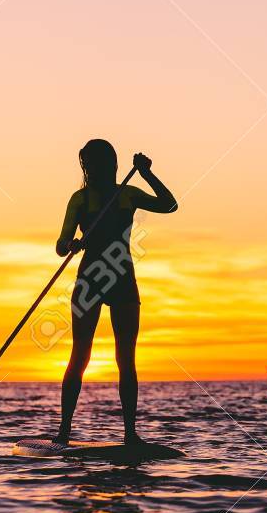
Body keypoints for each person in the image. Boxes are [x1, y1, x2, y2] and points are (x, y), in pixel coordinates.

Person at [54, 139, 177, 445]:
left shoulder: (128, 194)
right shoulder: (80, 199)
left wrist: (147, 173)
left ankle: (130, 435)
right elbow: (60, 245)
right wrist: (70, 245)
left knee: (127, 359)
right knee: (79, 355)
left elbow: (170, 205)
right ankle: (64, 433)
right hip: (90, 280)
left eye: (98, 164)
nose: (93, 169)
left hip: (122, 278)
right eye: (89, 165)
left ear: (111, 165)